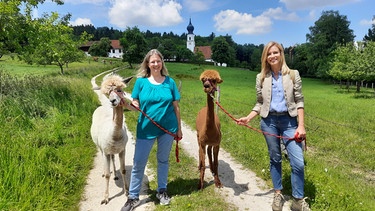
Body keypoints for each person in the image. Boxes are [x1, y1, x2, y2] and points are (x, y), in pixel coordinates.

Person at [236, 41, 311, 211]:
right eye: (269, 54)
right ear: (265, 57)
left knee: (297, 162)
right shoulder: (261, 77)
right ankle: (278, 194)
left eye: (275, 52)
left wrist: (301, 126)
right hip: (268, 122)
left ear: (281, 53)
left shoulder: (293, 74)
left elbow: (299, 100)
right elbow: (260, 103)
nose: (272, 56)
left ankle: (298, 200)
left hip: (290, 122)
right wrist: (248, 118)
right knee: (275, 158)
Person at [121, 49, 182, 211]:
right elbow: (136, 106)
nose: (156, 64)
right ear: (148, 64)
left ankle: (162, 191)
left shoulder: (170, 82)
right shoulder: (141, 82)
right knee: (138, 163)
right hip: (146, 129)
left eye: (158, 61)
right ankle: (133, 197)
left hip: (167, 129)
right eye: (152, 61)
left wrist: (179, 129)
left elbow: (176, 108)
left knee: (163, 160)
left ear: (162, 63)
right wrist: (127, 104)